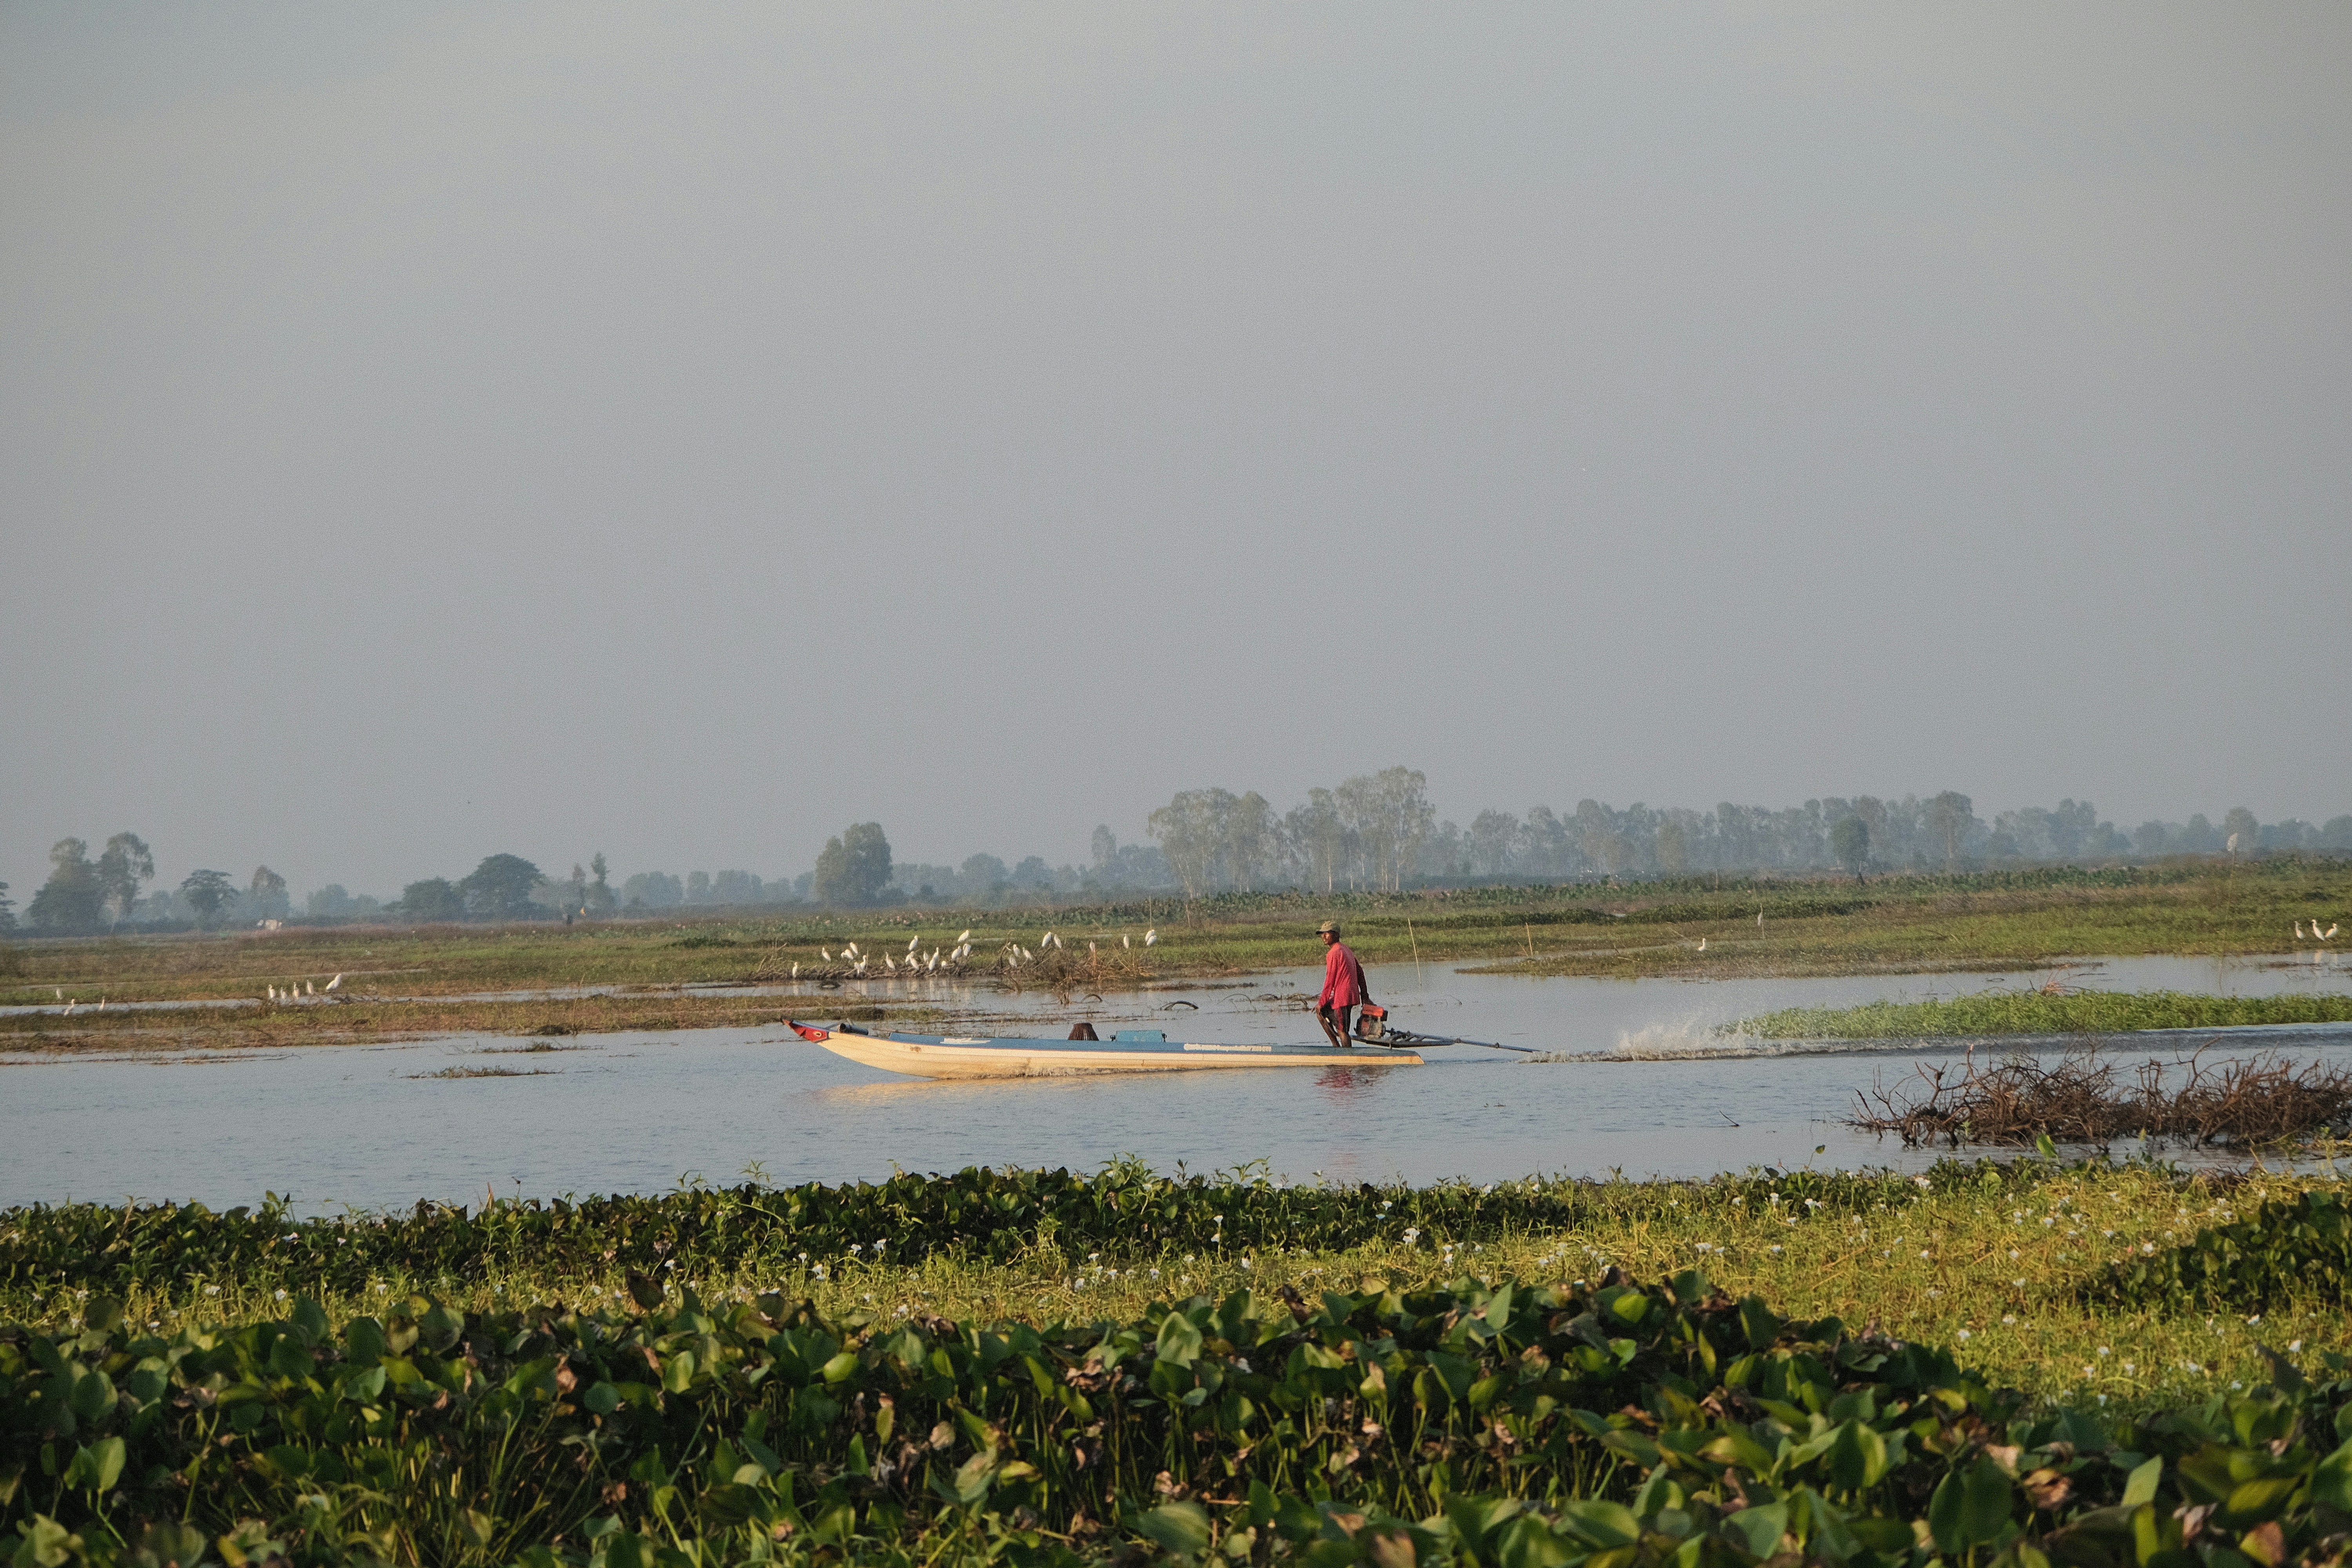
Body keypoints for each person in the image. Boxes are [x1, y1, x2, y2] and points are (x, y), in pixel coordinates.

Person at [1314, 920, 1370, 1047]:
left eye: (1327, 933)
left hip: (1343, 997)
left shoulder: (1334, 953)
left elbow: (1330, 980)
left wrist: (1322, 1002)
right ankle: (1337, 1047)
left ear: (1336, 935)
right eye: (1322, 934)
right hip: (1348, 995)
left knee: (1343, 1030)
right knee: (1321, 1014)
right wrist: (1364, 996)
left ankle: (1346, 1056)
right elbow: (1360, 972)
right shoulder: (1346, 949)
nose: (1324, 937)